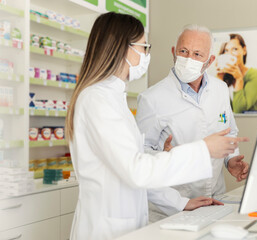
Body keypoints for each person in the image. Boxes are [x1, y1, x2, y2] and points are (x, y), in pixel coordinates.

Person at [65, 13, 245, 240]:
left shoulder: (114, 98)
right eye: (143, 47)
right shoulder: (96, 100)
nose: (146, 54)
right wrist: (204, 149)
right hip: (105, 228)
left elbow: (137, 168)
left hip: (128, 223)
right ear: (123, 48)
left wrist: (180, 202)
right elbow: (137, 171)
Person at [136, 25, 250, 222]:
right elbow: (140, 155)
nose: (189, 59)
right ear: (173, 52)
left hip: (214, 199)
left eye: (198, 54)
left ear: (210, 60)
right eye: (183, 51)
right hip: (173, 207)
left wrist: (230, 159)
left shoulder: (220, 89)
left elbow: (229, 132)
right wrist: (165, 155)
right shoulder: (151, 98)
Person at [216, 33, 257, 113]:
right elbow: (220, 110)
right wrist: (219, 79)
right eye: (226, 50)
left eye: (234, 49)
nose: (230, 54)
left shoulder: (255, 74)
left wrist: (239, 79)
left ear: (244, 50)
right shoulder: (223, 76)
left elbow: (240, 111)